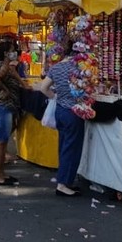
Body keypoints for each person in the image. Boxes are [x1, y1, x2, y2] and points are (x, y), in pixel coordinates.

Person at [38, 34, 85, 197]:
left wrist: (56, 97)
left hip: (60, 110)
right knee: (71, 148)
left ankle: (65, 180)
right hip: (74, 111)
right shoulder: (78, 68)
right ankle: (63, 183)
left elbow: (43, 88)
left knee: (63, 145)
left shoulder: (56, 68)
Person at [0, 52, 23, 186]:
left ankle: (1, 173)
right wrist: (5, 90)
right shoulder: (1, 66)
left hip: (5, 107)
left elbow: (16, 79)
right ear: (7, 53)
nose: (16, 54)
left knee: (3, 143)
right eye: (13, 50)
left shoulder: (7, 67)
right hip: (1, 107)